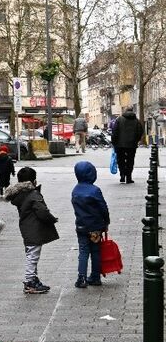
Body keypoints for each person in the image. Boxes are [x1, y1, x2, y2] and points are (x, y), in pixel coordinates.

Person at [4, 166, 58, 295]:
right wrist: (52, 219)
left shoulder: (20, 194)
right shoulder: (33, 195)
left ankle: (33, 279)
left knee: (31, 255)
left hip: (27, 229)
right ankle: (29, 282)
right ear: (33, 181)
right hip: (34, 230)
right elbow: (42, 211)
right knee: (32, 257)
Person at [72, 160, 110, 288]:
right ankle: (95, 276)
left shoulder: (75, 190)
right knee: (95, 251)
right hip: (95, 228)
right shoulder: (95, 190)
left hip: (81, 226)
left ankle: (81, 278)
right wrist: (106, 221)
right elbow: (103, 207)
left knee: (83, 251)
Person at [111, 107, 144, 184]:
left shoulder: (119, 119)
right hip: (132, 144)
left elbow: (115, 131)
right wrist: (136, 140)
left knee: (121, 160)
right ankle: (129, 177)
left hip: (120, 144)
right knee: (130, 160)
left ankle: (122, 174)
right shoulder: (136, 120)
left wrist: (114, 142)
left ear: (125, 111)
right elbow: (140, 131)